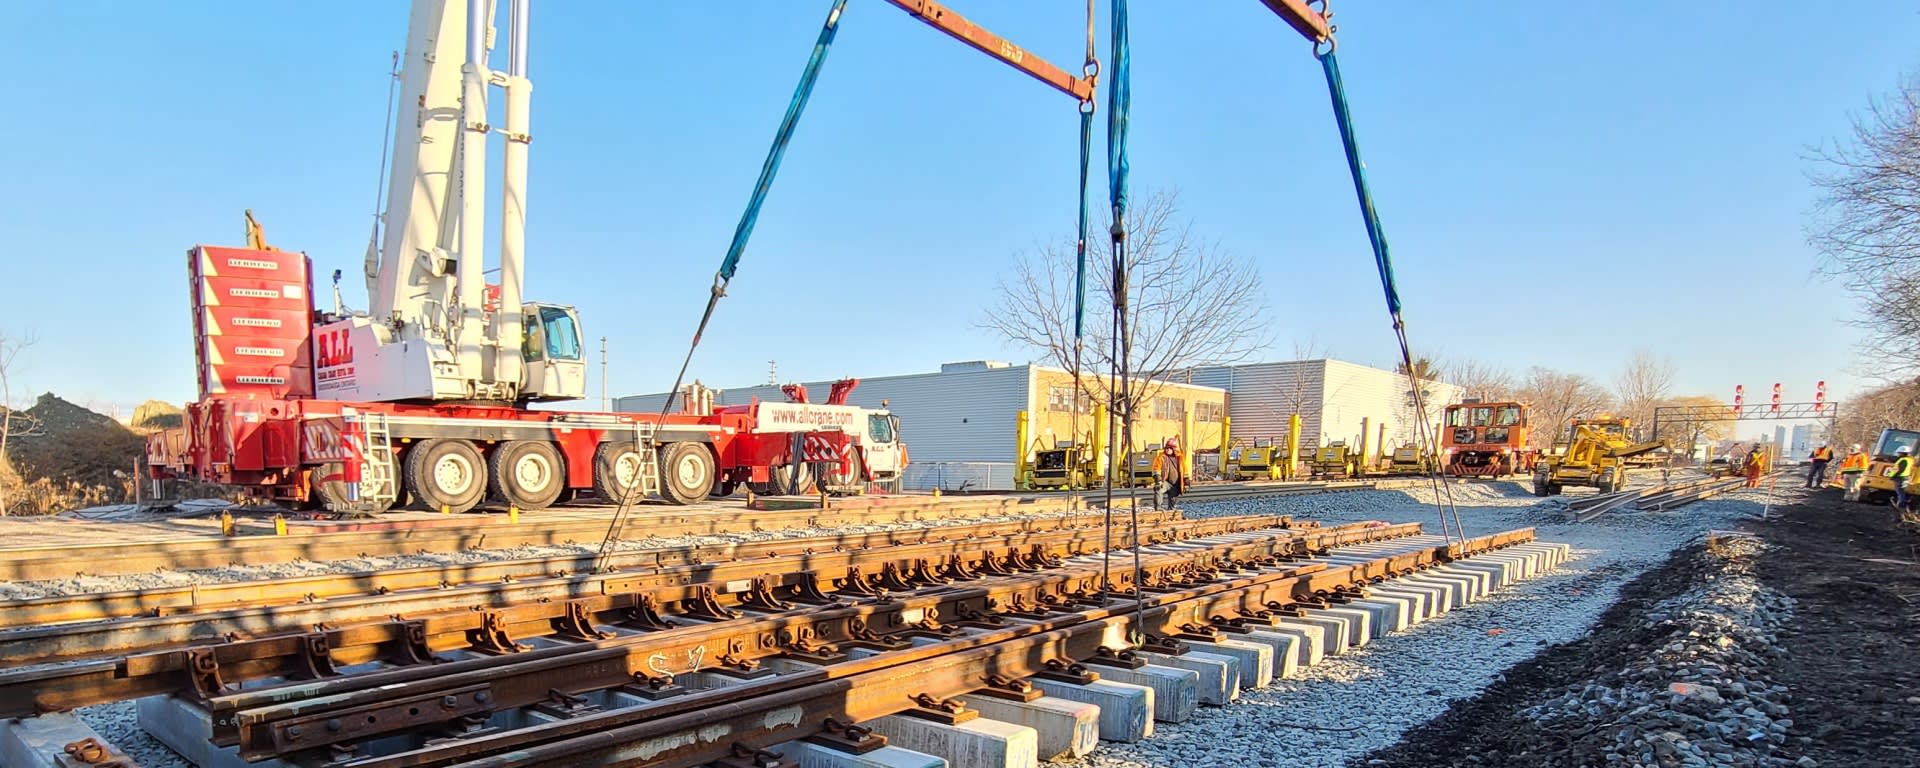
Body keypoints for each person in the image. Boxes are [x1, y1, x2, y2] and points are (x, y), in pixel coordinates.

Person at [1152, 437, 1185, 510]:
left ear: (1174, 449)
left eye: (1169, 448)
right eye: (1166, 448)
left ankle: (1171, 512)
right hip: (1165, 482)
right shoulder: (1161, 457)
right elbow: (1156, 469)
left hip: (1175, 484)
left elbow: (1184, 470)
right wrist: (1158, 480)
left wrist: (1187, 479)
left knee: (1173, 500)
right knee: (1158, 489)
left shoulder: (1180, 458)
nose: (1167, 449)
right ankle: (1158, 508)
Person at [1892, 446, 1914, 511]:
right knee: (1901, 491)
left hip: (1900, 477)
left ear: (1902, 453)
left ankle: (1901, 504)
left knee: (1900, 491)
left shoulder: (1903, 460)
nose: (1898, 454)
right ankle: (1903, 503)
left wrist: (1893, 476)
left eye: (1899, 453)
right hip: (1905, 477)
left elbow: (1899, 469)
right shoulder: (1910, 460)